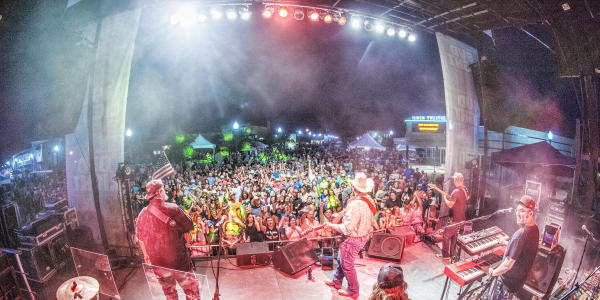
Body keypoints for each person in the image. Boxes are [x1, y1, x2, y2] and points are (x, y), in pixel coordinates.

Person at [136, 180, 199, 300]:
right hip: (180, 262)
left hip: (159, 265)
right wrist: (186, 241)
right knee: (192, 292)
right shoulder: (173, 209)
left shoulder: (142, 214)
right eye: (163, 189)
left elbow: (140, 239)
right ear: (159, 192)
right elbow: (189, 226)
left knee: (170, 294)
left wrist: (146, 255)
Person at [325, 172, 376, 298]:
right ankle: (336, 281)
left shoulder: (355, 204)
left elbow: (347, 228)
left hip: (352, 239)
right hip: (362, 237)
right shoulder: (369, 200)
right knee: (341, 260)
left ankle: (353, 290)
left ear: (354, 188)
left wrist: (331, 225)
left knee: (347, 265)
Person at [488, 196, 539, 300]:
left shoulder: (520, 234)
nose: (517, 213)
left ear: (530, 214)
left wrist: (492, 273)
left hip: (505, 284)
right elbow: (523, 249)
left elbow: (507, 265)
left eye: (522, 211)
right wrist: (507, 243)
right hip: (516, 284)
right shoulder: (535, 229)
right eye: (517, 210)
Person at [431, 172, 468, 259]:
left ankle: (445, 256)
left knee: (446, 236)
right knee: (454, 237)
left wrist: (444, 199)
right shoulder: (465, 190)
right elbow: (463, 198)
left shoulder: (456, 191)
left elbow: (450, 205)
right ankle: (452, 254)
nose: (453, 182)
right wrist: (437, 188)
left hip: (454, 220)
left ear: (456, 180)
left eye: (454, 180)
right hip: (462, 219)